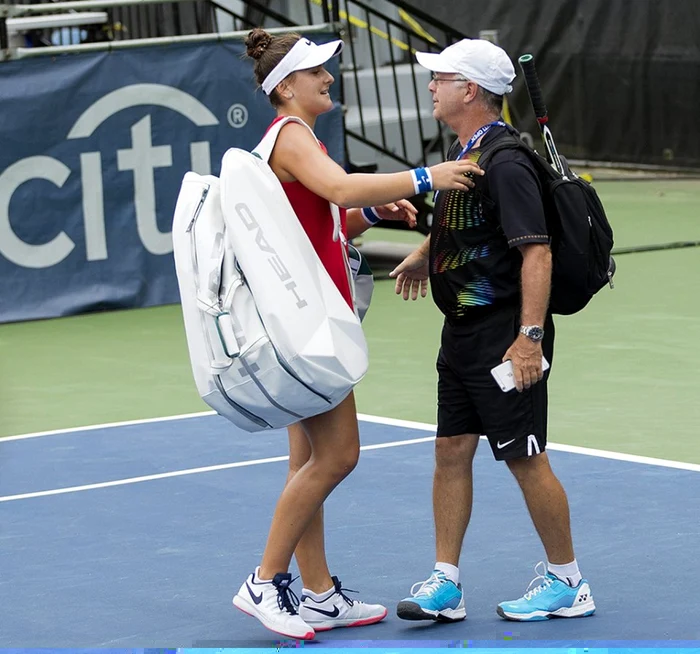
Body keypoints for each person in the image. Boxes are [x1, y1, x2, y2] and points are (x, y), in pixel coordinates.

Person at [232, 28, 484, 641]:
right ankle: (264, 581)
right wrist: (426, 178)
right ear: (286, 85)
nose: (328, 78)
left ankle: (317, 592)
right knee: (339, 455)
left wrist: (373, 212)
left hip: (303, 319)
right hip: (307, 325)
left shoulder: (296, 140)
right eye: (317, 71)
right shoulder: (291, 137)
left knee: (307, 460)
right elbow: (341, 187)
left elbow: (327, 212)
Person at [390, 39, 596, 623]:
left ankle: (568, 582)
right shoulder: (470, 152)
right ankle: (446, 584)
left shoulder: (505, 161)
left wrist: (529, 338)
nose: (431, 86)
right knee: (450, 450)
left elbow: (536, 251)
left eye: (441, 78)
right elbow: (473, 222)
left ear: (471, 91)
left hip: (506, 334)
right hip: (460, 334)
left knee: (525, 457)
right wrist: (426, 253)